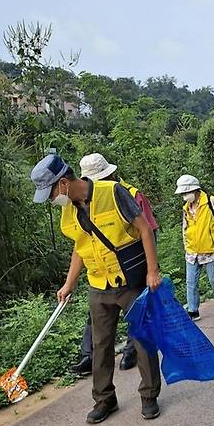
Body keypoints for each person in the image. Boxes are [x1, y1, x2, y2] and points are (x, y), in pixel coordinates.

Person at [30, 153, 162, 424]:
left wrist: (152, 271)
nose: (52, 200)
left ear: (63, 183)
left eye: (51, 193)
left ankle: (149, 396)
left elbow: (144, 229)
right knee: (100, 345)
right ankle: (105, 400)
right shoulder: (68, 209)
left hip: (129, 280)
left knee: (142, 339)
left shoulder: (112, 192)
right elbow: (80, 248)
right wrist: (69, 283)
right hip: (98, 285)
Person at [72, 153, 159, 376]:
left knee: (138, 320)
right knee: (97, 324)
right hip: (101, 278)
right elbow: (82, 244)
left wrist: (150, 269)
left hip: (131, 273)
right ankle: (89, 356)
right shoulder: (82, 203)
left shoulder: (128, 193)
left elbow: (148, 230)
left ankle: (131, 351)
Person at [175, 174, 214, 320]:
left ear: (195, 190)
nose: (184, 196)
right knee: (191, 282)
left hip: (212, 249)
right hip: (192, 251)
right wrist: (186, 246)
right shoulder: (186, 208)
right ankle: (193, 310)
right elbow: (185, 228)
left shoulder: (211, 202)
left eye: (186, 192)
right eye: (183, 193)